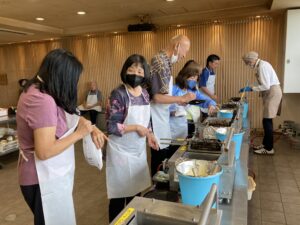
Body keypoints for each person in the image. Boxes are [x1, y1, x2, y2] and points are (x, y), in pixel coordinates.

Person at [16, 49, 107, 225]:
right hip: (40, 178)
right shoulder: (42, 100)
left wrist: (90, 125)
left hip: (45, 174)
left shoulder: (38, 89)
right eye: (73, 79)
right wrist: (80, 134)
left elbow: (66, 114)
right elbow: (44, 151)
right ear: (61, 76)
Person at [106, 54, 159, 222]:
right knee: (119, 196)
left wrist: (150, 134)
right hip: (120, 152)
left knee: (135, 194)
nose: (135, 73)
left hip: (137, 151)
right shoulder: (119, 94)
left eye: (140, 70)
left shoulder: (144, 93)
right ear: (125, 71)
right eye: (131, 69)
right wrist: (136, 128)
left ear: (145, 74)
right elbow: (111, 126)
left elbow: (146, 121)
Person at [149, 34, 196, 176]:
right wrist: (180, 99)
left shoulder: (166, 62)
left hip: (161, 118)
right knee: (159, 159)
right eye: (185, 51)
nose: (184, 55)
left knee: (163, 156)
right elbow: (157, 97)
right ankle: (157, 189)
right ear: (176, 46)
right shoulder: (160, 62)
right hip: (156, 118)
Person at [241, 51, 282, 155]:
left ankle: (269, 149)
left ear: (252, 60)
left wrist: (251, 88)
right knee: (266, 120)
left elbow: (266, 86)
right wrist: (250, 86)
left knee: (267, 121)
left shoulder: (262, 66)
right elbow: (262, 82)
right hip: (271, 92)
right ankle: (265, 145)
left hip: (272, 92)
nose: (248, 65)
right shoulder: (261, 65)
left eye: (248, 63)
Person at [170, 61, 217, 139]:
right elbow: (163, 108)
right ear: (184, 76)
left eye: (196, 77)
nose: (194, 80)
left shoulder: (192, 91)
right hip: (174, 127)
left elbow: (205, 99)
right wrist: (173, 112)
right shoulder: (174, 90)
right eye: (192, 77)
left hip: (191, 123)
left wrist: (211, 104)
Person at [199, 54, 220, 121]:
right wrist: (211, 95)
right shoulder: (205, 72)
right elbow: (202, 86)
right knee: (205, 117)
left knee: (211, 114)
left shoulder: (212, 71)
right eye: (216, 64)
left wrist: (213, 94)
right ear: (210, 63)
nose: (217, 66)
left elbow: (211, 85)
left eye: (217, 64)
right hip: (205, 97)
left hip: (210, 97)